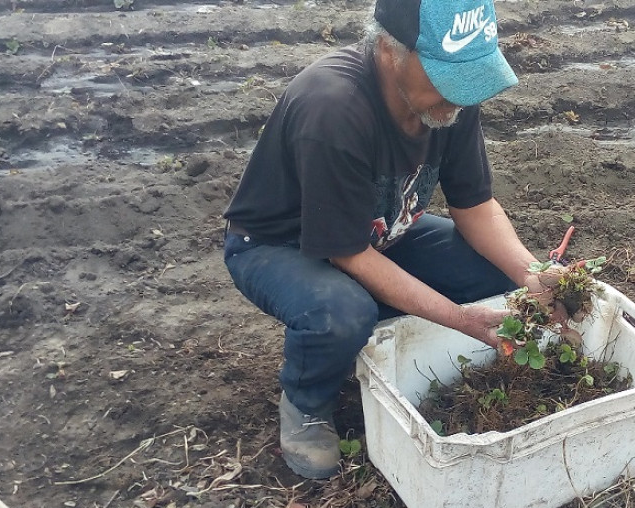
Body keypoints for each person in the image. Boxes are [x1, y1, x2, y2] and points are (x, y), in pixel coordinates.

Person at [223, 0, 556, 479]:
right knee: (342, 311)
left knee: (492, 271)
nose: (459, 95)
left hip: (378, 230)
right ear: (388, 48)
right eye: (447, 75)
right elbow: (349, 254)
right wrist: (458, 318)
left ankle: (369, 335)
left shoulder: (452, 100)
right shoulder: (333, 108)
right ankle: (307, 401)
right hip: (278, 245)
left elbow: (475, 207)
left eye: (469, 76)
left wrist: (532, 273)